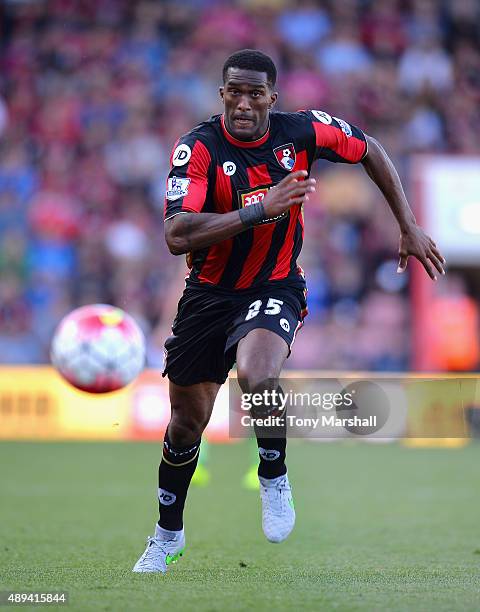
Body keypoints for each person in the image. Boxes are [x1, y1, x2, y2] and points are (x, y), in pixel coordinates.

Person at [133, 49, 446, 573]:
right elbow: (176, 234)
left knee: (258, 374)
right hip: (207, 296)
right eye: (234, 90)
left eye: (256, 93)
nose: (244, 102)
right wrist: (261, 208)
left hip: (276, 284)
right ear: (222, 94)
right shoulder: (198, 148)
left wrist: (408, 225)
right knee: (186, 425)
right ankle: (167, 536)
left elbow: (371, 149)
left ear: (271, 99)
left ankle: (273, 476)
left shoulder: (303, 132)